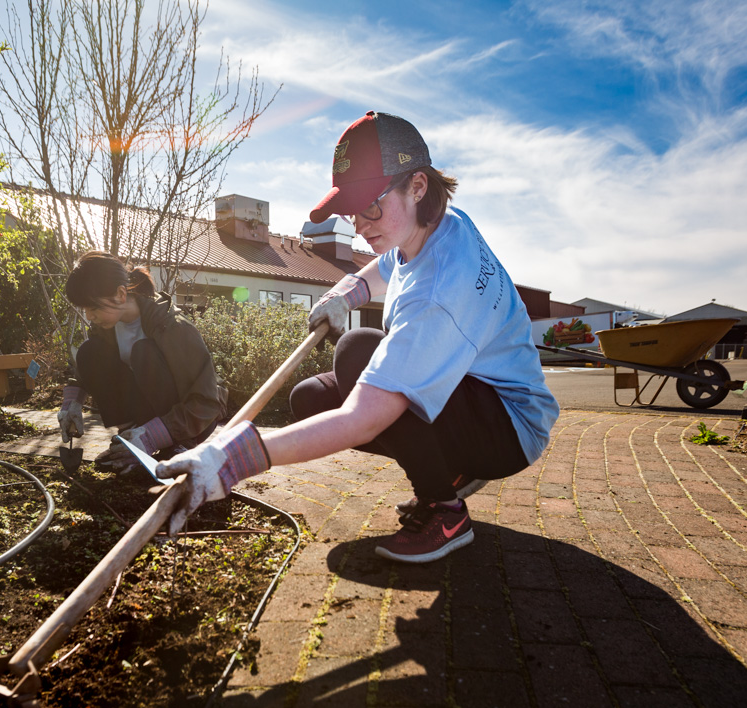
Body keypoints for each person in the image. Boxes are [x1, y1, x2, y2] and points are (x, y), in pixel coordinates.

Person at [155, 111, 558, 563]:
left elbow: (365, 418)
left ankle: (445, 509)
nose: (361, 226)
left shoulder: (440, 293)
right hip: (475, 396)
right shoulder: (436, 223)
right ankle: (450, 469)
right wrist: (344, 294)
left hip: (509, 425)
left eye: (371, 206)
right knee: (310, 398)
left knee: (357, 353)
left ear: (418, 185)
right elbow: (384, 267)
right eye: (351, 211)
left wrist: (233, 460)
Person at [58, 251, 227, 473]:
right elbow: (91, 367)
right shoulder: (108, 325)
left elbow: (207, 403)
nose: (89, 316)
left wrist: (151, 437)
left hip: (192, 421)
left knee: (143, 352)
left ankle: (176, 444)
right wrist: (73, 403)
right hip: (148, 416)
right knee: (90, 351)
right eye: (85, 309)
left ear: (120, 294)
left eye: (94, 307)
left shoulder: (172, 326)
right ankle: (130, 439)